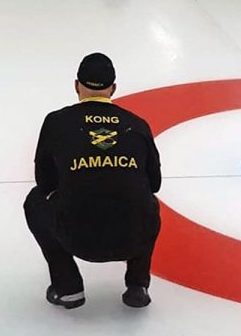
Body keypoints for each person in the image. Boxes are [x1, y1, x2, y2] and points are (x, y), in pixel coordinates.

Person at [24, 52, 161, 309]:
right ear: (113, 88)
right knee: (147, 201)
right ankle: (137, 284)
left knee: (34, 201)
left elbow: (44, 181)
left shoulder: (57, 122)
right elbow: (154, 183)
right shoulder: (137, 125)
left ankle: (68, 287)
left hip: (77, 237)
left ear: (76, 85)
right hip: (133, 237)